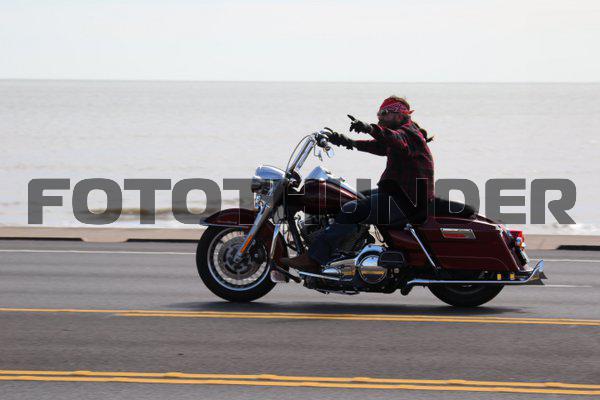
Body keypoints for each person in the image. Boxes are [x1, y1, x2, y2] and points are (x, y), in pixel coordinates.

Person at [280, 96, 435, 273]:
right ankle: (344, 250)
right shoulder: (405, 135)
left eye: (384, 113)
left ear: (400, 114)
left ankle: (314, 259)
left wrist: (369, 128)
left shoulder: (408, 134)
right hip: (401, 195)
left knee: (351, 209)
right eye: (378, 113)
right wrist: (347, 141)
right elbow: (380, 146)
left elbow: (394, 138)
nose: (380, 117)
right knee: (351, 198)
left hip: (406, 202)